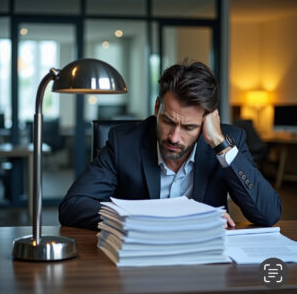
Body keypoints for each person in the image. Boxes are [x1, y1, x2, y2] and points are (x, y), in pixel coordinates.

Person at [59, 60, 281, 230]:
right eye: (168, 121)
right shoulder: (124, 142)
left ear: (206, 121)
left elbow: (268, 213)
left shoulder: (228, 141)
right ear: (157, 108)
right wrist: (161, 219)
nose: (174, 137)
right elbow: (73, 206)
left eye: (189, 127)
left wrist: (219, 144)